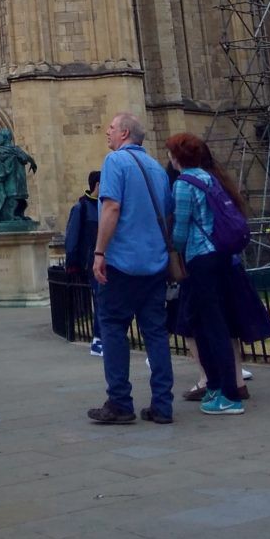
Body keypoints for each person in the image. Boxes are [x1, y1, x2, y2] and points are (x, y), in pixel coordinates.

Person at [89, 113, 174, 425]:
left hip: (122, 264)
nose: (107, 133)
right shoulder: (157, 168)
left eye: (110, 128)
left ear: (124, 133)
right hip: (155, 264)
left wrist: (99, 252)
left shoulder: (115, 162)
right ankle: (163, 405)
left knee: (112, 328)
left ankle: (120, 402)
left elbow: (111, 207)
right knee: (155, 334)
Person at [166, 133, 246, 416]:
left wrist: (171, 250)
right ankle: (214, 385)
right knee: (200, 322)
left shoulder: (184, 184)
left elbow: (181, 230)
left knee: (213, 326)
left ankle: (229, 395)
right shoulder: (208, 178)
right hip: (220, 257)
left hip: (201, 259)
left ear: (177, 157)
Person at [65, 171, 102, 356]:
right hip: (91, 262)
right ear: (97, 185)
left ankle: (102, 337)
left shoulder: (106, 206)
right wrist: (72, 263)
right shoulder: (82, 207)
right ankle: (97, 339)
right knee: (100, 300)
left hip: (107, 261)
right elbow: (72, 236)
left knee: (105, 301)